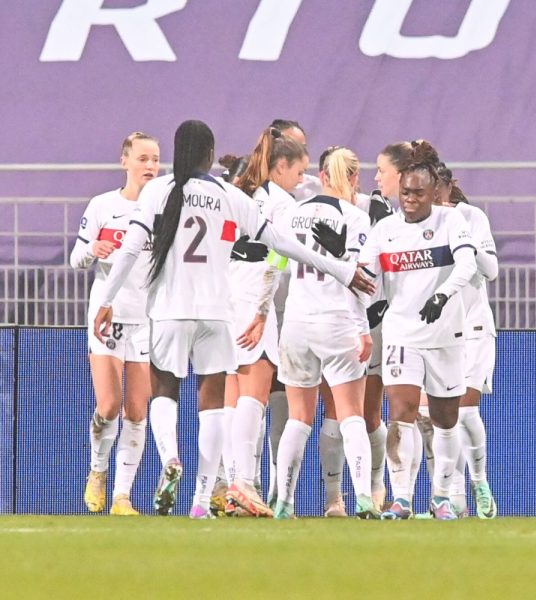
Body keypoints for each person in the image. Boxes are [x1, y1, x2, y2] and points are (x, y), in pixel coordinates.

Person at [92, 120, 374, 519]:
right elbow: (281, 244)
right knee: (215, 406)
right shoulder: (227, 195)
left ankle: (171, 458)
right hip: (218, 314)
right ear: (210, 155)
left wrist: (106, 300)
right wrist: (341, 269)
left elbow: (132, 248)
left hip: (170, 310)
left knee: (165, 390)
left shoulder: (158, 191)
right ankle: (203, 500)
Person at [355, 141, 477, 520]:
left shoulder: (450, 221)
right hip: (401, 334)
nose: (409, 199)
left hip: (445, 336)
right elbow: (364, 276)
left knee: (444, 420)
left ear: (432, 192)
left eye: (418, 193)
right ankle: (401, 498)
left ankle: (441, 496)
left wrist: (441, 297)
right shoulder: (385, 230)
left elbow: (467, 264)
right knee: (402, 412)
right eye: (405, 191)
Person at [272, 147, 378, 519]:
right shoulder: (357, 218)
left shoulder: (292, 214)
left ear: (320, 174)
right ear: (351, 178)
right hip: (339, 324)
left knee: (298, 418)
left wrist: (260, 313)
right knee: (351, 415)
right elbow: (363, 282)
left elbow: (276, 267)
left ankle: (283, 501)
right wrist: (364, 329)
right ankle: (364, 497)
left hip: (297, 323)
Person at [70, 131, 160, 516]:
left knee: (138, 411)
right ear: (124, 161)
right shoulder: (103, 206)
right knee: (109, 404)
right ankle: (98, 471)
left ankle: (122, 496)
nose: (150, 167)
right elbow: (76, 258)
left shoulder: (163, 210)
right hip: (107, 318)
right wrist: (93, 249)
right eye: (142, 159)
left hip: (145, 321)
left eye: (155, 159)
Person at [222, 127, 310, 517]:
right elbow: (275, 260)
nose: (301, 181)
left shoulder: (239, 193)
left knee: (235, 389)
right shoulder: (281, 204)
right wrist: (261, 311)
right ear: (279, 169)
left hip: (226, 288)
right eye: (297, 172)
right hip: (252, 291)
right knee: (255, 390)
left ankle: (229, 483)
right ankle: (243, 481)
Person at [435, 163, 498, 519]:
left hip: (473, 326)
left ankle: (479, 482)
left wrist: (465, 243)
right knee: (440, 418)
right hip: (439, 330)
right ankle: (453, 497)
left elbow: (492, 270)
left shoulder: (471, 216)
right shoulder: (417, 224)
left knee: (465, 410)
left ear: (445, 188)